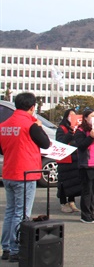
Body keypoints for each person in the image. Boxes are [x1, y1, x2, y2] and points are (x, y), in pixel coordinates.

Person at [0, 92, 51, 262]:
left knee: (10, 211)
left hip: (9, 172)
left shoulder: (4, 125)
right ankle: (16, 249)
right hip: (26, 173)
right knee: (22, 213)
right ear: (32, 107)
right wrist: (39, 126)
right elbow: (45, 143)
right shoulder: (30, 125)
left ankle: (6, 247)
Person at [73, 109, 94, 223]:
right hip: (87, 164)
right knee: (87, 190)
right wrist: (91, 137)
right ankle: (85, 214)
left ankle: (92, 213)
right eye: (92, 116)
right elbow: (81, 145)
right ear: (86, 118)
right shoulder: (81, 130)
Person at [55, 109, 82, 213]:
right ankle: (63, 203)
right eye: (70, 115)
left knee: (73, 182)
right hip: (65, 158)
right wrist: (70, 133)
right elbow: (60, 142)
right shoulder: (61, 128)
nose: (72, 117)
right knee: (63, 182)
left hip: (75, 158)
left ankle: (72, 202)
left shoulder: (78, 128)